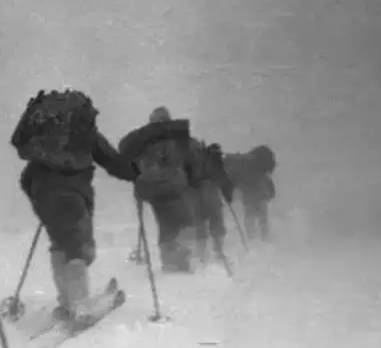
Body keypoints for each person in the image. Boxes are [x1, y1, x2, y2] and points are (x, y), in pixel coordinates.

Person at [15, 90, 139, 325]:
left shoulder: (41, 137)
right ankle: (80, 306)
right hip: (72, 196)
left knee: (60, 243)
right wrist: (136, 172)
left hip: (42, 194)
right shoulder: (85, 134)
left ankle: (67, 303)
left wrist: (39, 193)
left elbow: (26, 175)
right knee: (78, 246)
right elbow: (112, 162)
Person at [121, 107, 201, 273]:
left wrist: (139, 182)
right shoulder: (180, 140)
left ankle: (169, 261)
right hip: (175, 187)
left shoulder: (142, 141)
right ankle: (181, 260)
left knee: (166, 224)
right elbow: (195, 158)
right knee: (185, 222)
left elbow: (130, 161)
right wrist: (193, 181)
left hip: (153, 191)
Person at [191, 142, 235, 264]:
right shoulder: (216, 161)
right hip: (211, 194)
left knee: (200, 225)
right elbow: (223, 179)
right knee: (216, 223)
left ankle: (201, 255)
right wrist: (228, 195)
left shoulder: (195, 161)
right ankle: (218, 252)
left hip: (196, 196)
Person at [224, 145, 276, 240]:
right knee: (260, 218)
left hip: (252, 193)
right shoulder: (253, 166)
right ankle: (263, 240)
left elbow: (234, 181)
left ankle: (254, 240)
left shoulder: (242, 166)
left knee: (252, 218)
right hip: (257, 193)